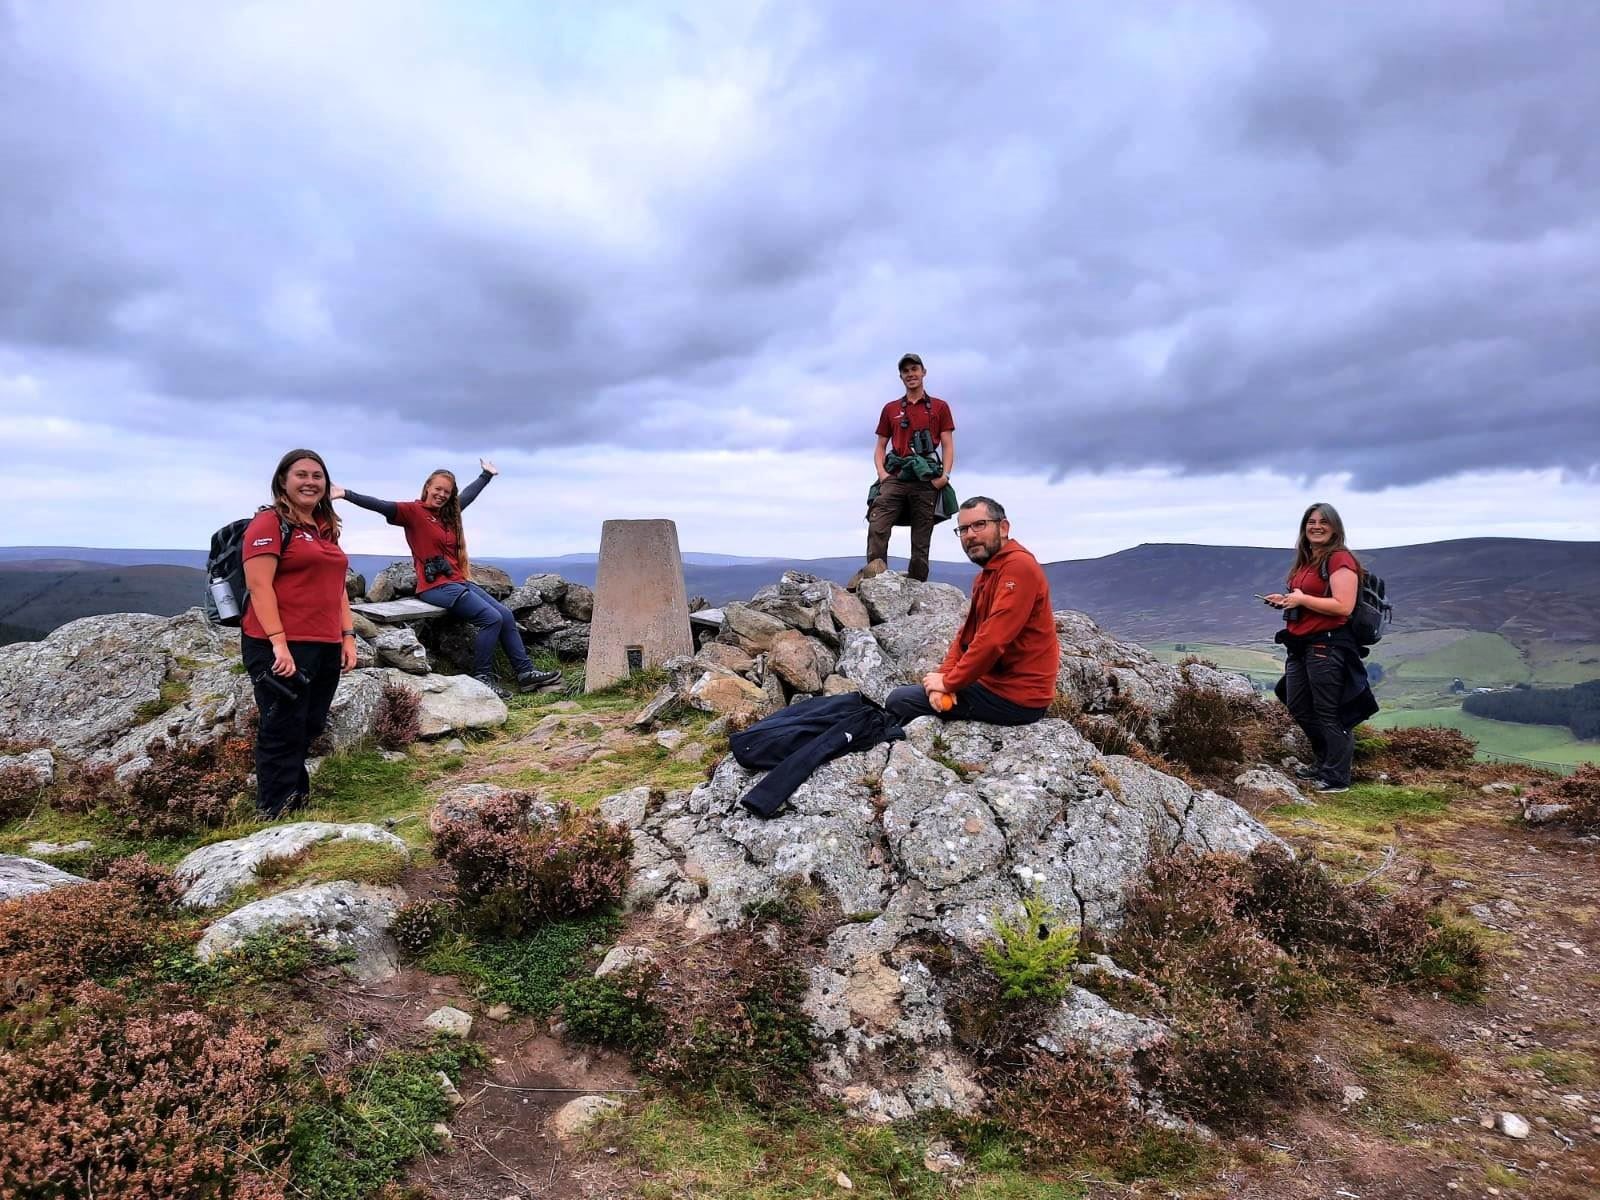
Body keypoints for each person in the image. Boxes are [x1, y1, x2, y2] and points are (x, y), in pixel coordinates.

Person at [332, 460, 560, 698]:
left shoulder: (448, 516)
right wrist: (345, 494)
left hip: (457, 582)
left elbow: (468, 496)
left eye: (447, 492)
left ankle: (525, 673)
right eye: (437, 489)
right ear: (427, 487)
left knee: (505, 615)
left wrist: (486, 475)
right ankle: (483, 677)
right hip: (434, 587)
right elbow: (381, 505)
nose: (441, 495)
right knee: (491, 619)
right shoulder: (413, 512)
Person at [241, 449, 357, 818]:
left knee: (309, 723)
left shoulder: (325, 529)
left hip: (324, 643)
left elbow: (337, 586)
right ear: (283, 482)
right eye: (301, 475)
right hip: (278, 643)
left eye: (317, 476)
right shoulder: (269, 524)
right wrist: (278, 644)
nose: (310, 482)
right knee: (281, 726)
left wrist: (348, 634)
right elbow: (259, 587)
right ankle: (274, 811)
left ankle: (296, 801)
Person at [884, 497, 1060, 726]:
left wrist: (949, 683)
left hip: (1018, 699)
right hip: (992, 685)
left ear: (1003, 527)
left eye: (979, 525)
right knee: (909, 696)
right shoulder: (987, 575)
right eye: (964, 529)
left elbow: (993, 640)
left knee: (900, 700)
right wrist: (945, 679)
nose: (970, 535)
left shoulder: (1018, 568)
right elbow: (967, 637)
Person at [1264, 502, 1378, 794]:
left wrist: (1301, 600)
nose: (1316, 526)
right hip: (1301, 644)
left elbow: (1343, 605)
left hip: (1327, 645)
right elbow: (1306, 597)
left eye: (1323, 522)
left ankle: (1336, 777)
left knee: (1329, 712)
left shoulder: (1340, 560)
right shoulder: (1308, 560)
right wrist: (1286, 599)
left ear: (1335, 527)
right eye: (1311, 521)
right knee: (1297, 702)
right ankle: (1325, 762)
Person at [865, 352, 956, 583]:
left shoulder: (939, 407)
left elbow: (947, 444)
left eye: (914, 369)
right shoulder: (891, 408)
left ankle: (917, 586)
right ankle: (876, 583)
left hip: (925, 477)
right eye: (906, 371)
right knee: (878, 525)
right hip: (896, 475)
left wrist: (944, 476)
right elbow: (880, 446)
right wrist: (883, 474)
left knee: (921, 538)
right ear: (901, 376)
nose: (910, 374)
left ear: (923, 372)